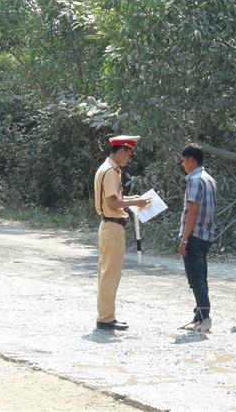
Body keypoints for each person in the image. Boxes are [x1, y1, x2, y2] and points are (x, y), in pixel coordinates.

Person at [93, 135, 150, 331]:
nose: (130, 158)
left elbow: (115, 198)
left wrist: (132, 198)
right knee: (110, 274)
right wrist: (135, 203)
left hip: (110, 226)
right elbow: (112, 203)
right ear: (121, 151)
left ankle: (106, 316)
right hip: (112, 227)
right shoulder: (110, 171)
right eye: (129, 153)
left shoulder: (108, 168)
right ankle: (106, 318)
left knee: (107, 273)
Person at [178, 143, 217, 332]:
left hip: (194, 235)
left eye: (184, 162)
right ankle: (199, 316)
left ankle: (204, 318)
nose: (183, 165)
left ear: (191, 161)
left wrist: (184, 240)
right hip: (207, 235)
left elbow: (192, 210)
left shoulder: (194, 180)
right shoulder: (210, 179)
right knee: (201, 277)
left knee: (196, 279)